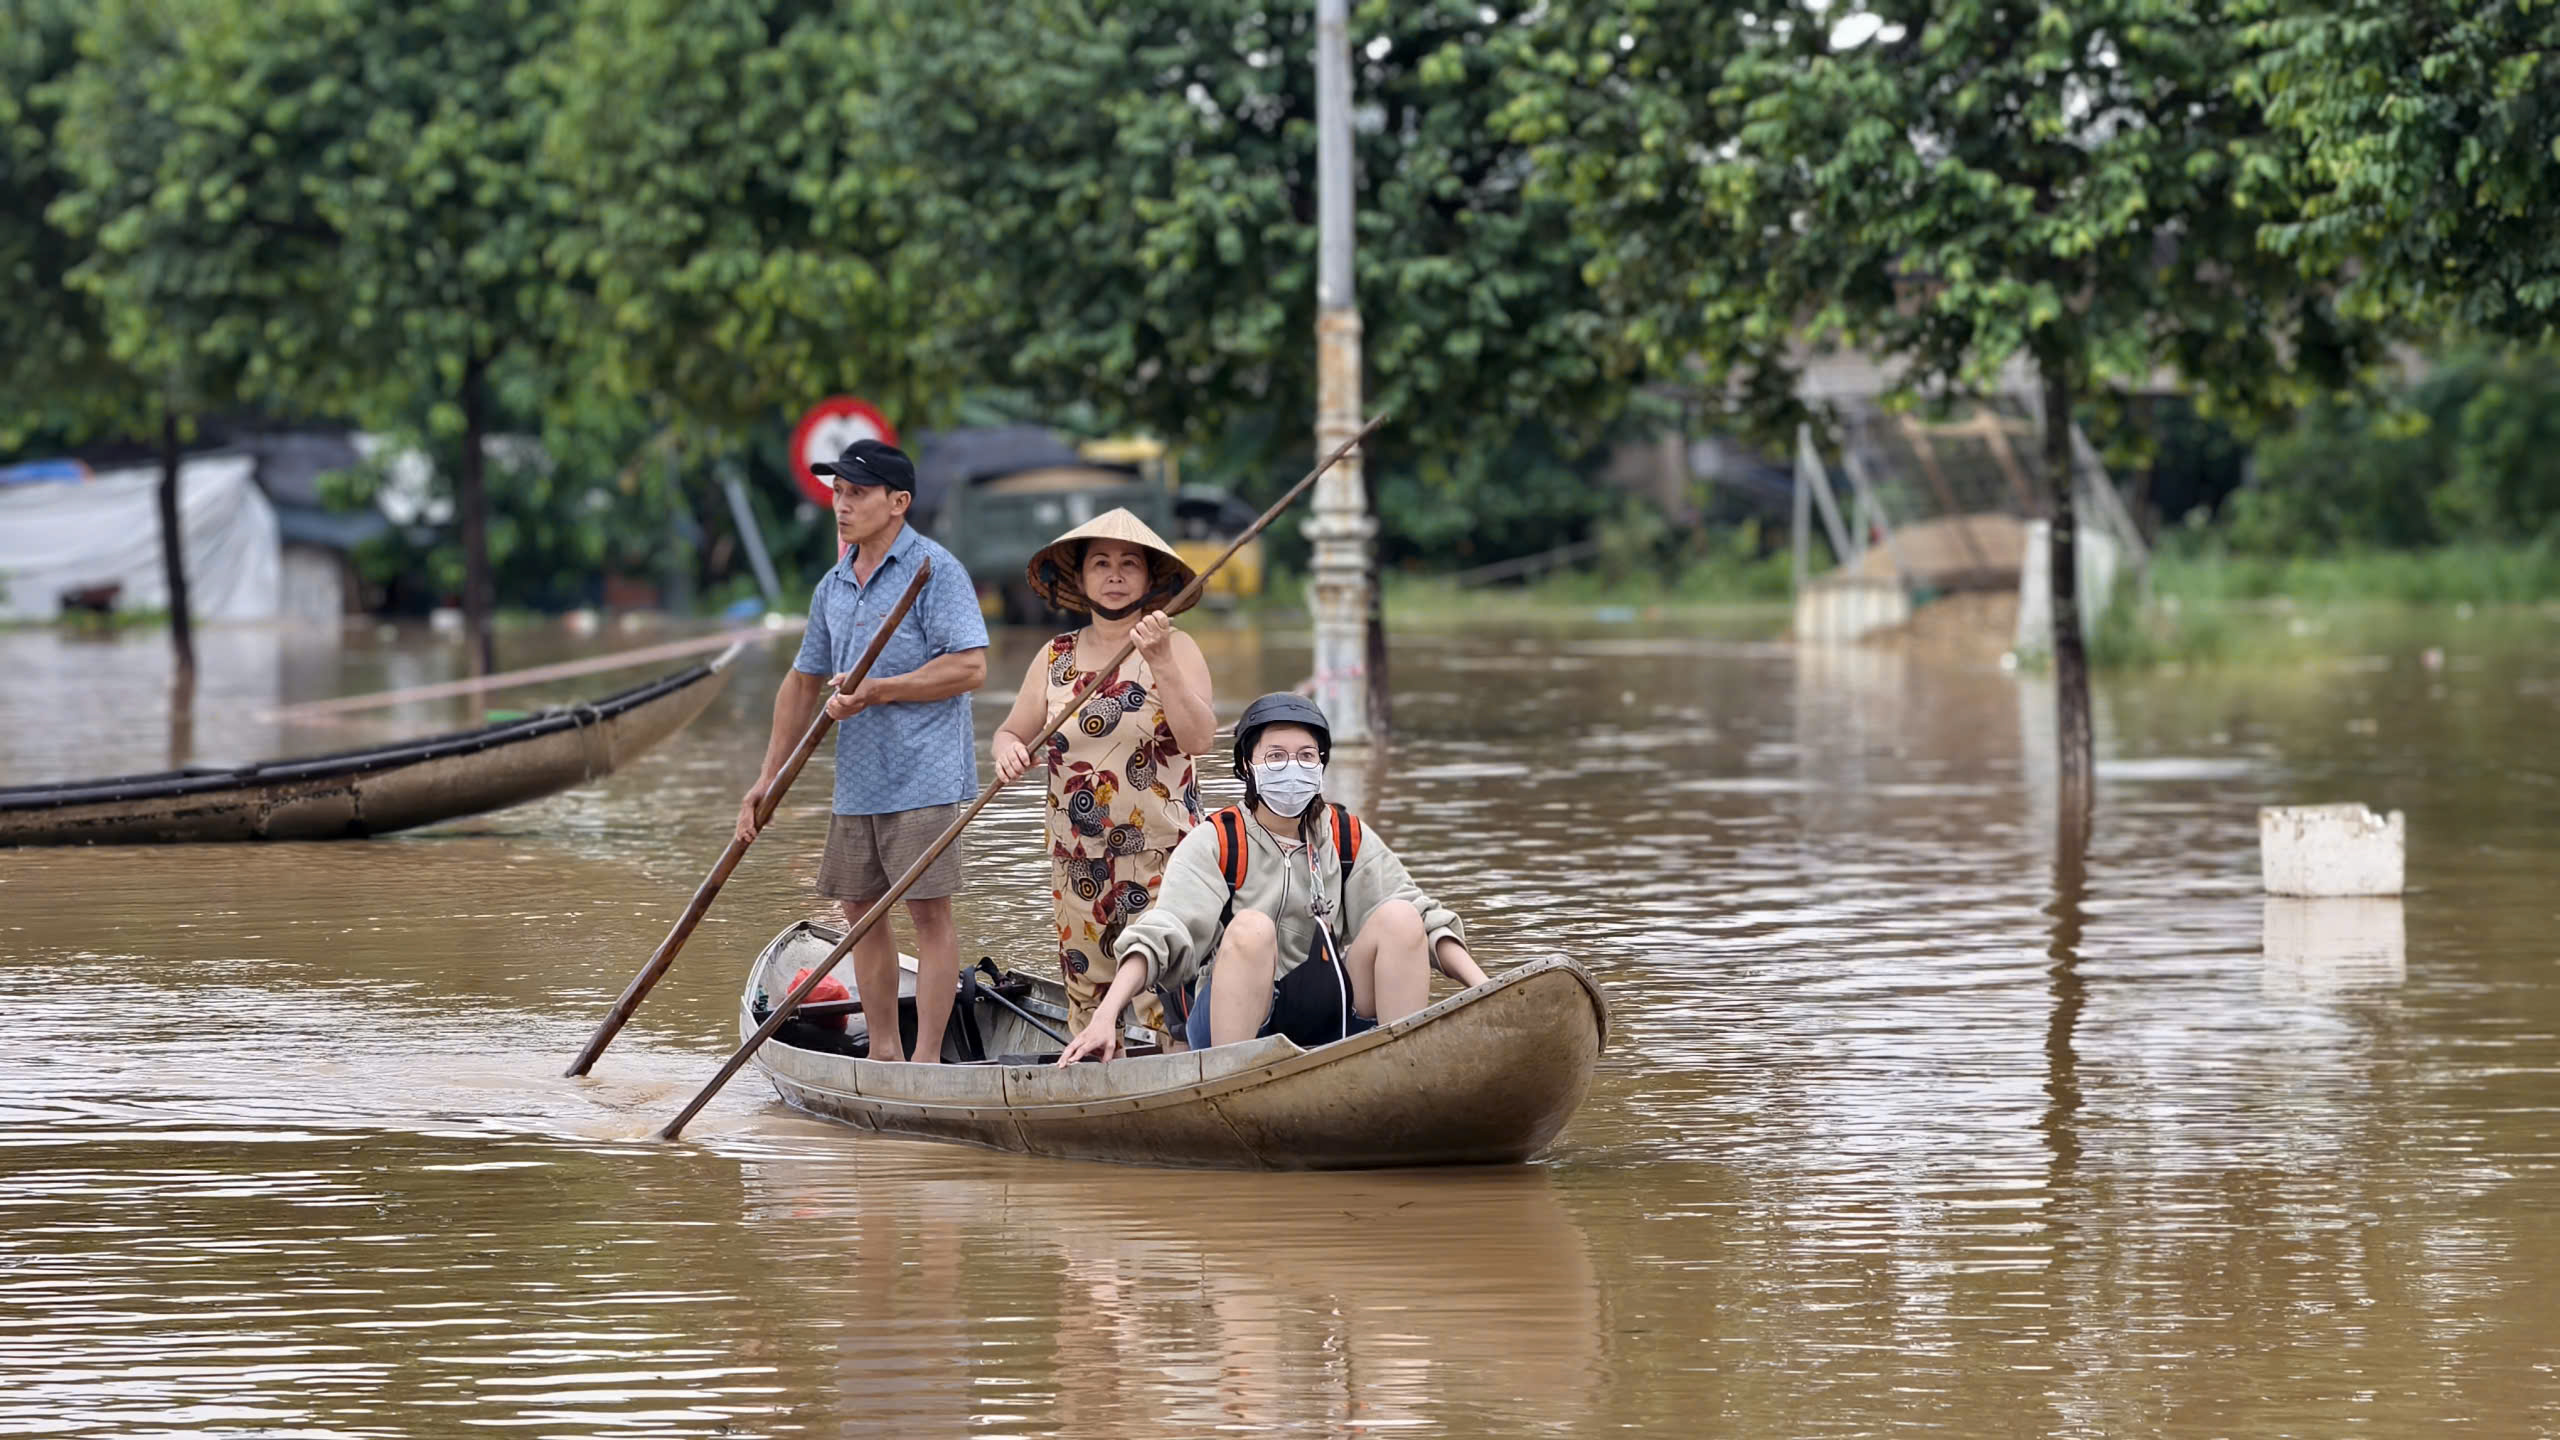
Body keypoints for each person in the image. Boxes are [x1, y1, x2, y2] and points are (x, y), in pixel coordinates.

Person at [1057, 693, 1491, 1063]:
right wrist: (1106, 1013)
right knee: (1252, 927)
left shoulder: (1345, 835)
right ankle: (1233, 1085)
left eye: (1306, 757)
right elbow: (1163, 933)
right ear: (1249, 765)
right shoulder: (1218, 841)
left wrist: (1487, 991)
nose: (1293, 768)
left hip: (1330, 1011)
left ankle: (1401, 1069)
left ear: (1321, 767)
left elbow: (1425, 920)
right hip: (1237, 1019)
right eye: (1276, 757)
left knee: (1400, 917)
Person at [736, 438, 988, 1063]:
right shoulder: (835, 584)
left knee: (929, 914)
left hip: (925, 773)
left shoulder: (935, 570)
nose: (842, 506)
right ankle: (883, 1053)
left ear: (898, 502)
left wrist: (880, 690)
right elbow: (801, 683)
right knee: (861, 914)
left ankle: (926, 1058)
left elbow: (970, 668)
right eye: (837, 493)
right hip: (860, 779)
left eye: (857, 493)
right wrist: (768, 779)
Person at [990, 509, 1215, 1047]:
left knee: (1168, 994)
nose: (1115, 576)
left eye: (1128, 564)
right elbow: (1010, 731)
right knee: (1088, 998)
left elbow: (1199, 739)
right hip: (1076, 862)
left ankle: (1179, 1089)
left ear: (1149, 577)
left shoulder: (1176, 647)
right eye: (1101, 564)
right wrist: (1008, 752)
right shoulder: (1056, 657)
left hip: (1163, 857)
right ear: (1081, 577)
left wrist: (1159, 659)